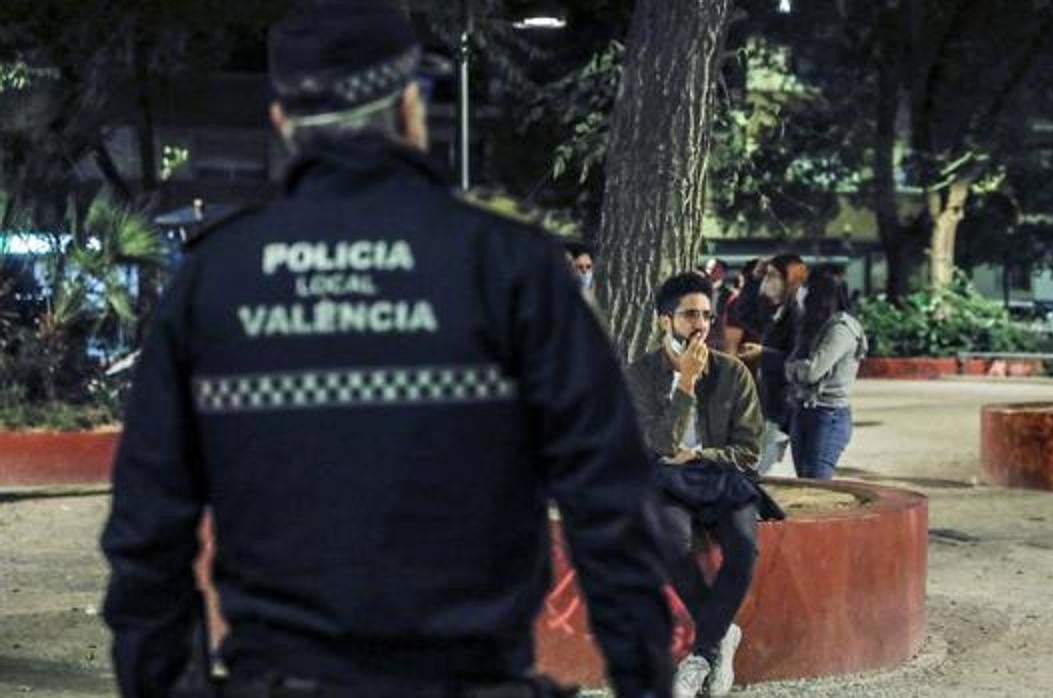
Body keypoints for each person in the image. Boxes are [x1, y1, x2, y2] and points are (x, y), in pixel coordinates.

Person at [99, 4, 673, 698]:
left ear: (284, 124)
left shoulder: (211, 281)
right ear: (409, 108)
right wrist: (645, 681)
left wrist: (167, 684)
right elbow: (609, 504)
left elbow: (145, 533)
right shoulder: (509, 266)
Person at [624, 273, 764, 698]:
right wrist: (684, 382)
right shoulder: (641, 375)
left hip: (720, 478)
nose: (700, 324)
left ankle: (702, 654)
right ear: (664, 321)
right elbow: (659, 445)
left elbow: (748, 450)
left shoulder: (733, 373)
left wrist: (702, 456)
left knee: (743, 547)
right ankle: (720, 638)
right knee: (670, 543)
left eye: (706, 314)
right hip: (665, 482)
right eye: (689, 315)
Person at [785, 265, 867, 479]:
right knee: (804, 483)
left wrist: (790, 368)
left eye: (808, 289)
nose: (803, 294)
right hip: (804, 410)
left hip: (827, 417)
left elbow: (812, 371)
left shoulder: (841, 328)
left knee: (817, 485)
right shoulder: (816, 325)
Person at [740, 254, 807, 474]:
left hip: (785, 404)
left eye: (772, 275)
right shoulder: (779, 309)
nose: (767, 281)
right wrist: (752, 279)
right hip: (769, 401)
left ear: (789, 278)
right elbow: (745, 314)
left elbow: (797, 360)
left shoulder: (798, 312)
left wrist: (763, 353)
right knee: (757, 467)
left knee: (760, 469)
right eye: (765, 275)